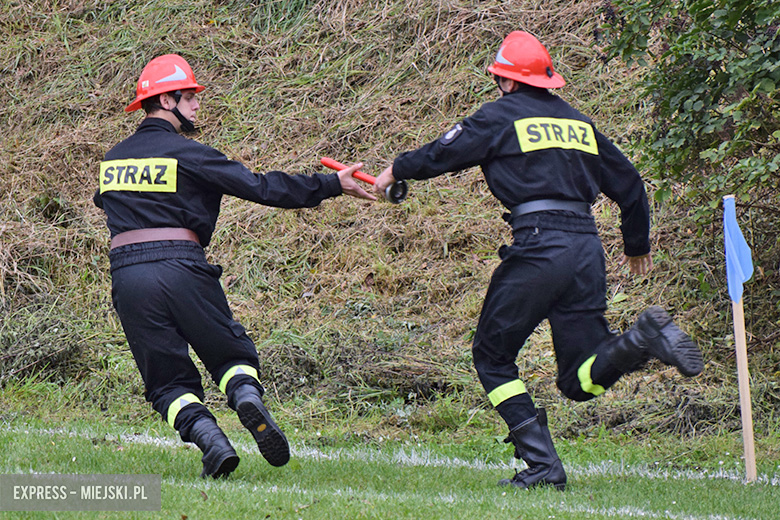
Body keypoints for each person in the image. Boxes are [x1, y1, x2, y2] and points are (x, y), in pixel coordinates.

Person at [374, 31, 703, 491]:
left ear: (506, 81)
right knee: (578, 380)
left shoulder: (500, 115)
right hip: (587, 250)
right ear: (546, 81)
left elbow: (446, 151)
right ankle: (638, 341)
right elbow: (629, 181)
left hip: (538, 244)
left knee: (491, 356)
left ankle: (542, 465)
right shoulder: (579, 124)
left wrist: (398, 169)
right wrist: (636, 244)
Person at [94, 54, 376, 479]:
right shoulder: (190, 155)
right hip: (182, 265)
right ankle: (245, 395)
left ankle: (211, 440)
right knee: (231, 356)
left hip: (128, 275)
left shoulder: (112, 161)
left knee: (167, 382)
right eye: (189, 96)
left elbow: (109, 206)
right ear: (166, 100)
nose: (196, 105)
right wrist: (331, 184)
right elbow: (260, 187)